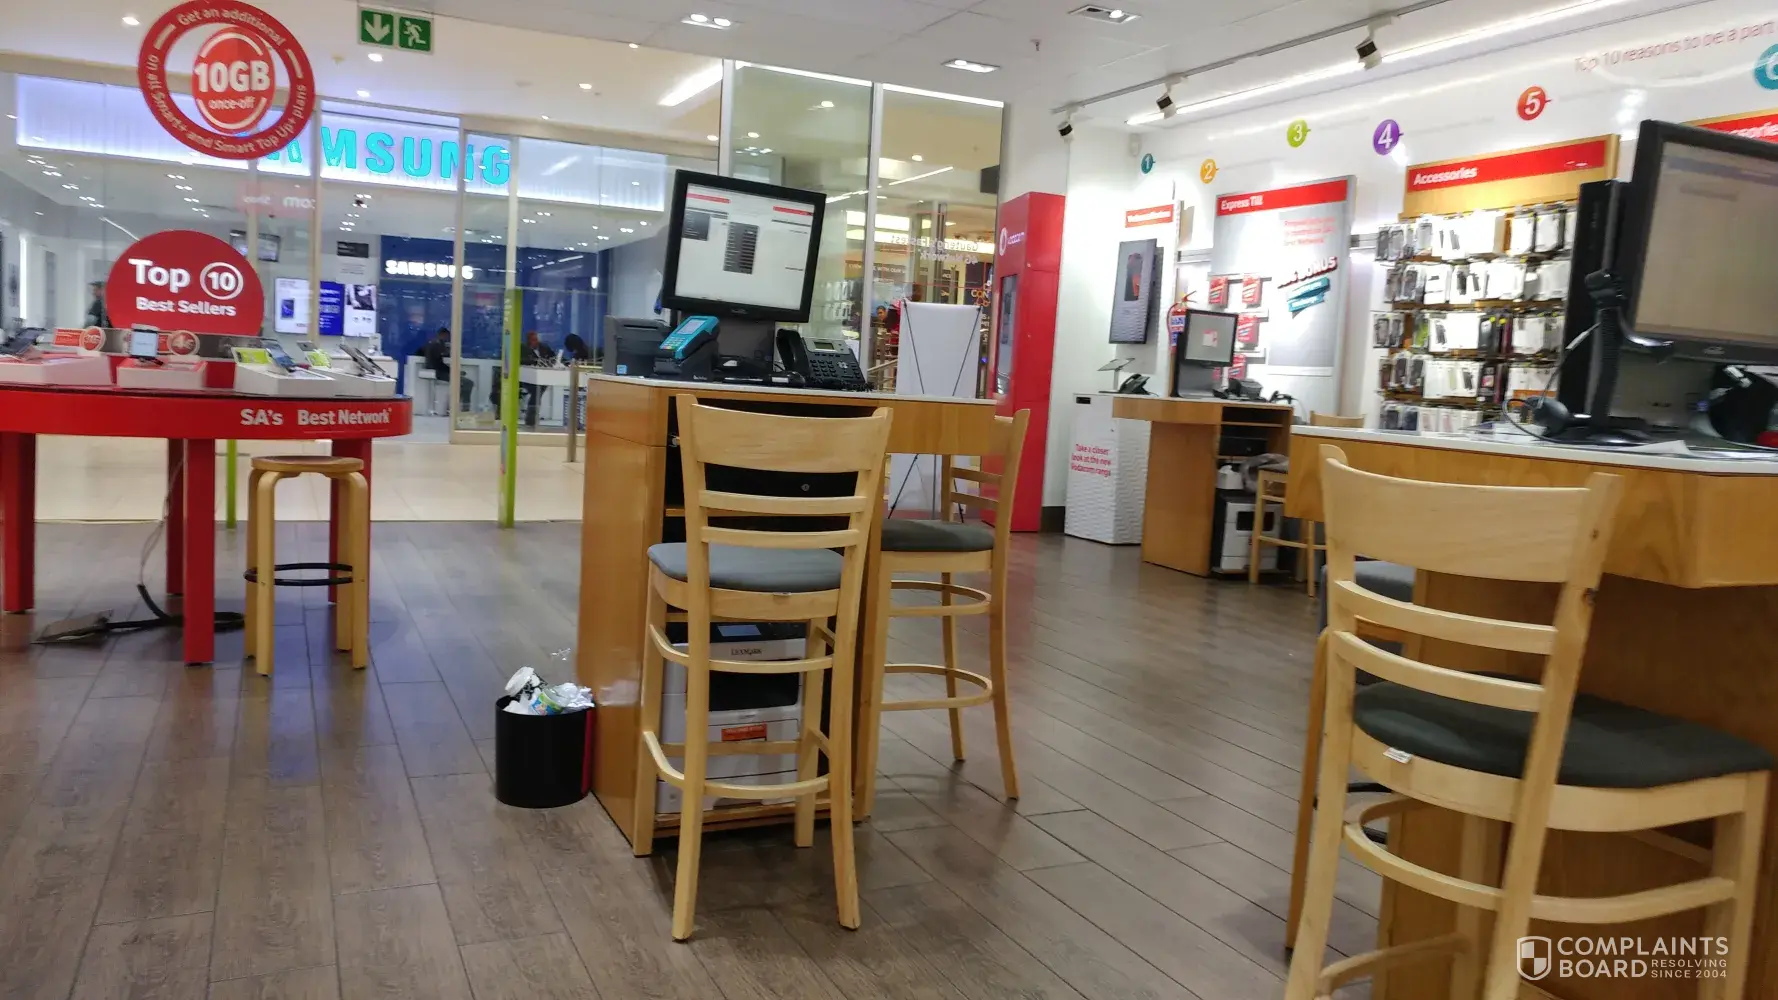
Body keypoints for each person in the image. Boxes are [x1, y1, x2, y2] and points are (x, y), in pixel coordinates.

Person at [421, 326, 472, 410]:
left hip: (437, 370)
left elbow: (438, 362)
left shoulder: (432, 343)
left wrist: (454, 371)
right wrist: (454, 371)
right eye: (447, 337)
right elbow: (439, 364)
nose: (447, 339)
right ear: (443, 335)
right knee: (467, 383)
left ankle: (454, 407)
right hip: (438, 372)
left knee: (462, 383)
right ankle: (462, 408)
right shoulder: (437, 345)